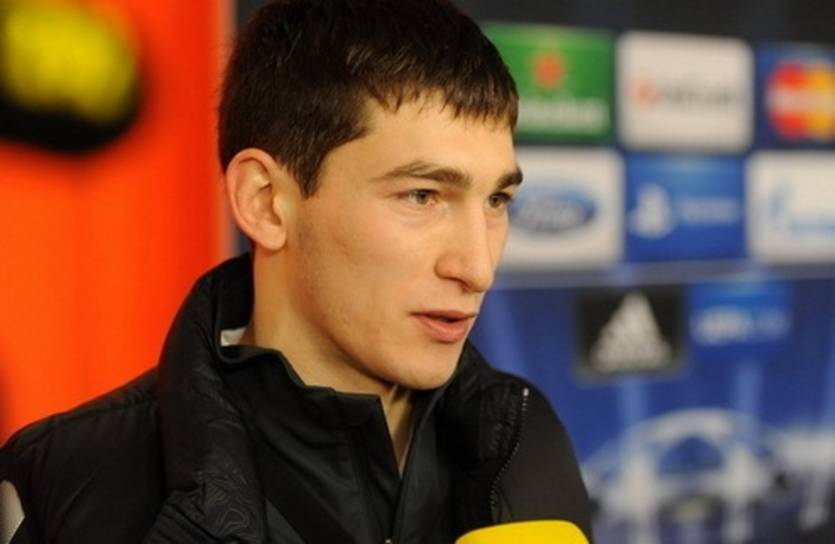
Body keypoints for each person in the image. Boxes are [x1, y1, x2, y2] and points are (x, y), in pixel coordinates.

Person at [0, 0, 592, 542]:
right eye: (422, 196)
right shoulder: (68, 482)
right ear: (265, 203)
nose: (478, 268)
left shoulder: (522, 432)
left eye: (497, 200)